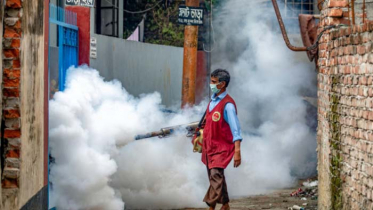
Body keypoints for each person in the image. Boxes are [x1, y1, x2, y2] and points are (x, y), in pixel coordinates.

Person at [201, 69, 242, 210]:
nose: (210, 84)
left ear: (222, 84)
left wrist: (237, 151)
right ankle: (225, 204)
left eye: (213, 82)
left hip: (222, 148)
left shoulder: (228, 105)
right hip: (210, 147)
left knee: (215, 176)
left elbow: (236, 129)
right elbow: (207, 122)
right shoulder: (212, 101)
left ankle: (210, 205)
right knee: (216, 177)